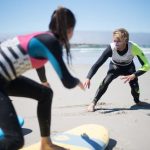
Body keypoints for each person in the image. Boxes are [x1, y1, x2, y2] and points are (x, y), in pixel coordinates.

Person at [0, 6, 84, 150]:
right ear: (69, 29)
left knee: (45, 94)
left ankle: (46, 144)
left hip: (5, 78)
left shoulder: (44, 38)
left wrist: (44, 82)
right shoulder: (51, 42)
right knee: (14, 140)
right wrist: (77, 81)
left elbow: (37, 62)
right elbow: (67, 81)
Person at [84, 28, 150, 112]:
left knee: (135, 86)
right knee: (106, 81)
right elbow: (97, 64)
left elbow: (147, 65)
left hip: (129, 68)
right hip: (115, 67)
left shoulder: (134, 47)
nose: (115, 43)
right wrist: (88, 77)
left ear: (125, 41)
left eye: (118, 41)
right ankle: (93, 103)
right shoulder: (111, 48)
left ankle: (137, 101)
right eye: (114, 41)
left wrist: (134, 75)